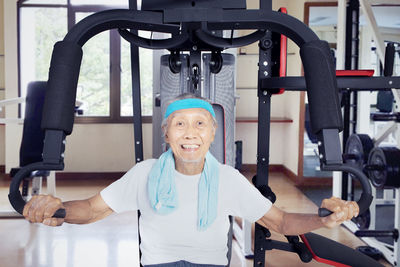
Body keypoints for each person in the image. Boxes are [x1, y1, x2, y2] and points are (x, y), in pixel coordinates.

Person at [23, 93, 359, 267]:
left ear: (213, 133)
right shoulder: (146, 173)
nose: (190, 134)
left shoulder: (228, 179)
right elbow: (93, 209)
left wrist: (322, 218)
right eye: (180, 124)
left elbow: (281, 221)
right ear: (166, 133)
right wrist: (59, 209)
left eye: (200, 124)